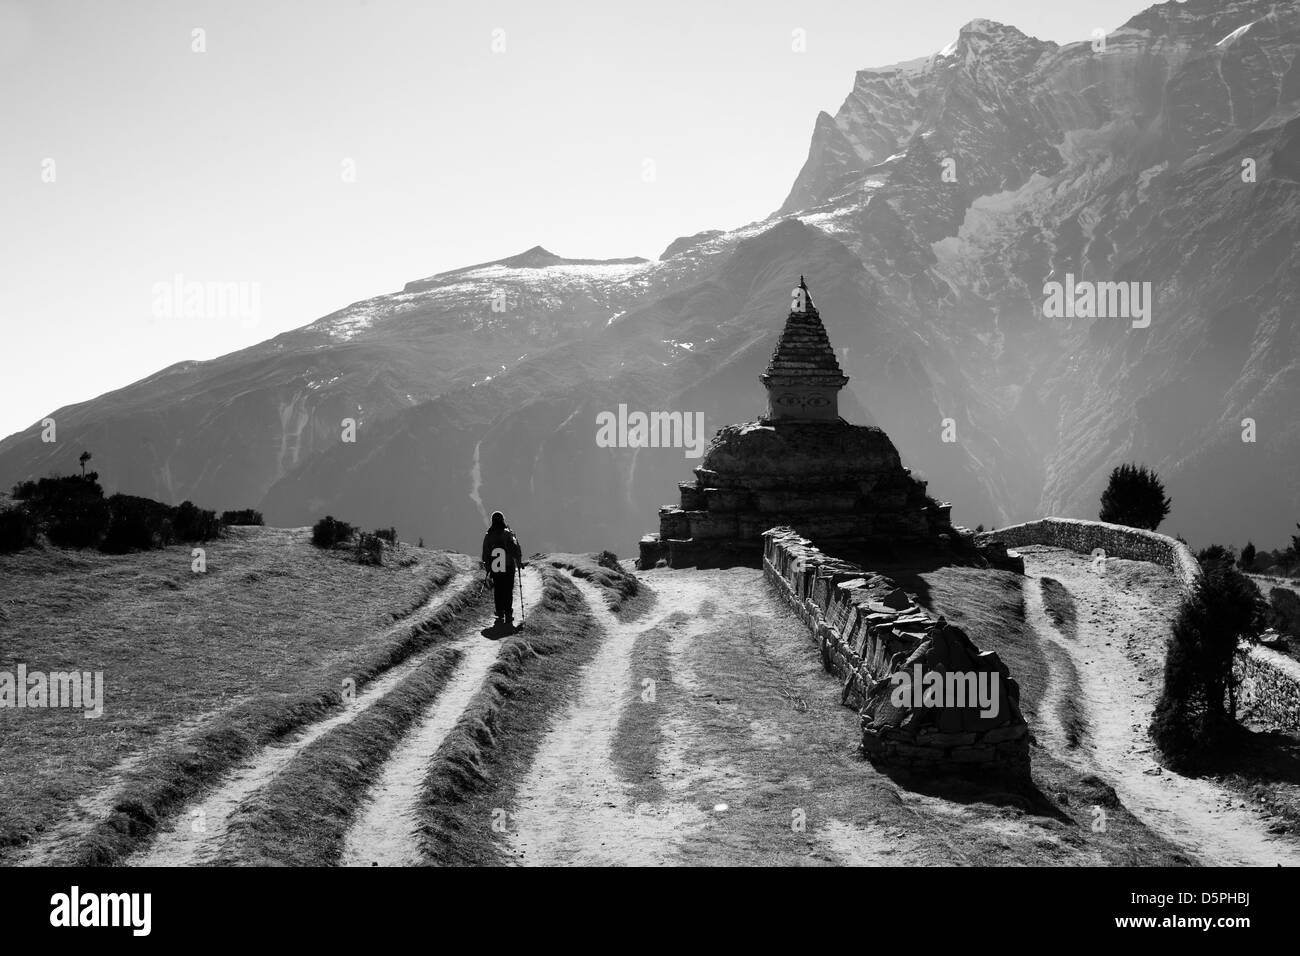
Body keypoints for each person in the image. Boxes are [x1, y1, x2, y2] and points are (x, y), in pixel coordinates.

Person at [481, 511, 523, 625]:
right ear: (503, 520)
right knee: (508, 589)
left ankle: (500, 611)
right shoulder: (508, 533)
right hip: (509, 564)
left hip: (496, 565)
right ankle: (508, 613)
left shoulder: (489, 534)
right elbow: (516, 547)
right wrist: (518, 561)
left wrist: (487, 565)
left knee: (498, 588)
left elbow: (486, 551)